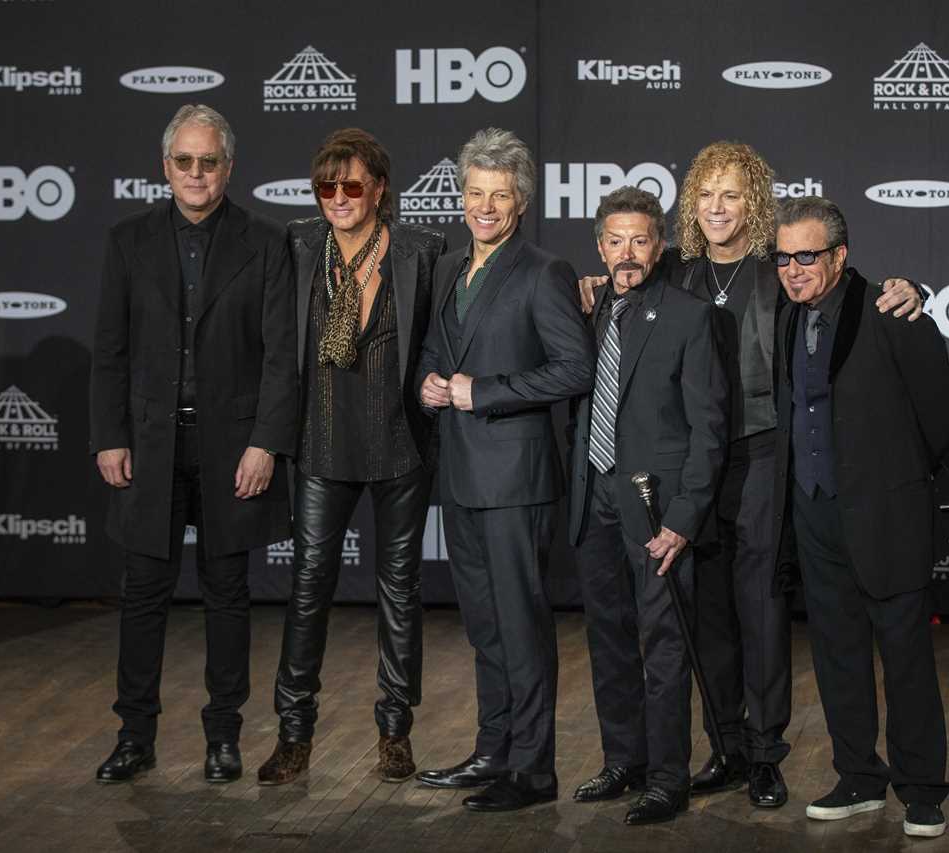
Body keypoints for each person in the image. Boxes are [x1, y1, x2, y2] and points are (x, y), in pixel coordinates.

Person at [576, 142, 923, 809]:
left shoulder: (779, 271)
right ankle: (726, 744)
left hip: (760, 454)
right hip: (687, 466)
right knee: (704, 612)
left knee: (760, 607)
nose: (716, 207)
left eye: (731, 194)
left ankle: (765, 753)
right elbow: (618, 289)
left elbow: (849, 299)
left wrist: (909, 291)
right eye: (705, 194)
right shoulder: (673, 269)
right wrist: (591, 284)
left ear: (755, 201)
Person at [89, 104, 297, 784]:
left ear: (228, 167)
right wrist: (109, 436)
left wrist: (266, 443)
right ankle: (134, 735)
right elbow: (110, 353)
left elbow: (278, 358)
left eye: (209, 161)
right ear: (166, 167)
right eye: (185, 161)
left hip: (230, 448)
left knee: (227, 592)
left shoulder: (267, 241)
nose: (197, 173)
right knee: (144, 593)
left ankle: (223, 737)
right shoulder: (128, 241)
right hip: (149, 446)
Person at [256, 129, 446, 787]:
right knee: (308, 586)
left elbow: (466, 316)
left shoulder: (423, 250)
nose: (337, 197)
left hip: (399, 443)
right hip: (321, 441)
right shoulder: (298, 244)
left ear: (380, 189)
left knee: (401, 590)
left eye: (351, 185)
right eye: (325, 187)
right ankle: (293, 735)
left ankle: (395, 733)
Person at [413, 128, 595, 811]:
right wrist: (432, 383)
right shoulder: (449, 269)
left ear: (520, 202)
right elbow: (438, 350)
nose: (485, 206)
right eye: (474, 192)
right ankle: (493, 750)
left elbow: (574, 368)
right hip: (459, 475)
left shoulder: (542, 271)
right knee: (485, 624)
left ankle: (533, 768)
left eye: (500, 195)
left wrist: (478, 391)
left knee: (521, 624)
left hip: (517, 481)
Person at [769, 196, 949, 838]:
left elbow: (941, 415)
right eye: (783, 257)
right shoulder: (787, 318)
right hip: (815, 514)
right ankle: (858, 775)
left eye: (807, 255)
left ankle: (923, 789)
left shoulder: (891, 311)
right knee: (837, 654)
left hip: (888, 515)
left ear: (840, 255)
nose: (793, 269)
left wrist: (898, 484)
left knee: (906, 656)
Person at [566, 187, 729, 825]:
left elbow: (707, 430)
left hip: (657, 510)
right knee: (608, 640)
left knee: (663, 646)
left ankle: (667, 779)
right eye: (616, 240)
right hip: (594, 500)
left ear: (659, 246)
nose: (627, 253)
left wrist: (683, 520)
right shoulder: (586, 307)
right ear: (600, 246)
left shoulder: (689, 317)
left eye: (640, 240)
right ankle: (622, 761)